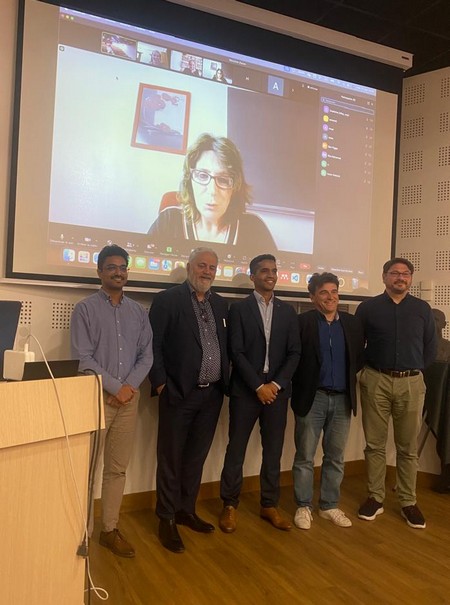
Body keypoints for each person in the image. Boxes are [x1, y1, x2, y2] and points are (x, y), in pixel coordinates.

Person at [70, 244, 153, 557]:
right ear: (99, 272)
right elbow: (83, 358)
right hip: (96, 398)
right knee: (88, 469)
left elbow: (147, 356)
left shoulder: (138, 312)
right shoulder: (85, 309)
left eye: (122, 267)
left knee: (117, 469)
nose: (118, 272)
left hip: (128, 401)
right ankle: (83, 533)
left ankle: (109, 529)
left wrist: (127, 388)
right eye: (111, 267)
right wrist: (116, 387)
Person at [149, 247, 229, 553]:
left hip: (212, 395)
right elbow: (153, 345)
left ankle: (186, 509)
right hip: (179, 393)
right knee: (170, 458)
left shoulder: (220, 304)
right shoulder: (167, 300)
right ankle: (166, 517)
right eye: (201, 265)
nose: (207, 271)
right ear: (189, 267)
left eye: (212, 267)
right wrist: (160, 385)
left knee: (196, 457)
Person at [219, 254, 300, 533]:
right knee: (236, 449)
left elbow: (294, 353)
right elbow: (236, 351)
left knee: (273, 451)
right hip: (246, 390)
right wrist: (258, 386)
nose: (270, 275)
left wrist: (274, 385)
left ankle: (269, 504)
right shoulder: (239, 310)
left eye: (274, 270)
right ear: (253, 276)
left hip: (277, 393)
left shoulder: (288, 312)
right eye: (264, 271)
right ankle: (230, 504)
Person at [356, 258, 437, 529]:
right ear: (384, 277)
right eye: (395, 273)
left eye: (405, 274)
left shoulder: (422, 309)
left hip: (411, 383)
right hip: (376, 380)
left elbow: (430, 347)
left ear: (410, 278)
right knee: (374, 444)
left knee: (408, 447)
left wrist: (414, 370)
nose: (400, 278)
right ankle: (375, 497)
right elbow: (357, 344)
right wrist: (366, 373)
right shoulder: (368, 308)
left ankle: (408, 501)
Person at [290, 273, 364, 530]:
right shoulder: (302, 323)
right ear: (312, 297)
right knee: (305, 456)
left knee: (335, 456)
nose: (330, 297)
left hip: (343, 399)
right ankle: (303, 505)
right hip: (313, 398)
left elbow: (358, 358)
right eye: (323, 292)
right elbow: (293, 358)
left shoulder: (352, 324)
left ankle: (329, 505)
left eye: (334, 291)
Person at [148, 133, 277, 254]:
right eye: (202, 176)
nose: (212, 191)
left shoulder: (254, 229)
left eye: (223, 180)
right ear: (190, 180)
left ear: (235, 187)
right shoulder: (168, 221)